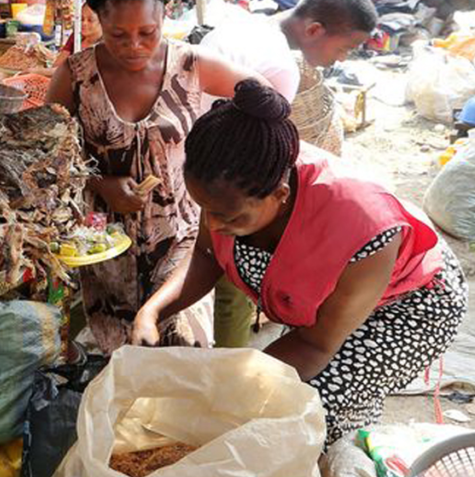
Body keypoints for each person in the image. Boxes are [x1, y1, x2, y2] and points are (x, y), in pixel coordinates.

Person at [131, 81, 466, 446]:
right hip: (331, 306)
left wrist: (228, 387)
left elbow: (316, 346)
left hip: (410, 306)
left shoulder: (366, 228)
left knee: (312, 411)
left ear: (280, 196)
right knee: (254, 408)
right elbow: (206, 255)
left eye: (227, 217)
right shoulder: (234, 183)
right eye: (205, 210)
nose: (212, 226)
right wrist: (152, 312)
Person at [45, 0, 269, 353]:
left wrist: (227, 157)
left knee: (183, 347)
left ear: (166, 16)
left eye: (147, 32)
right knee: (123, 354)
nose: (134, 46)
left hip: (181, 239)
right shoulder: (76, 76)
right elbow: (45, 152)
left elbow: (263, 97)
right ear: (96, 20)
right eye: (118, 35)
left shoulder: (191, 66)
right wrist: (99, 182)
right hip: (106, 246)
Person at [199, 0, 379, 348]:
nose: (341, 59)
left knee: (203, 260)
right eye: (344, 48)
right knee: (231, 278)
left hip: (193, 164)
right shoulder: (281, 68)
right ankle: (228, 370)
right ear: (314, 30)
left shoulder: (244, 25)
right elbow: (254, 151)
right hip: (213, 174)